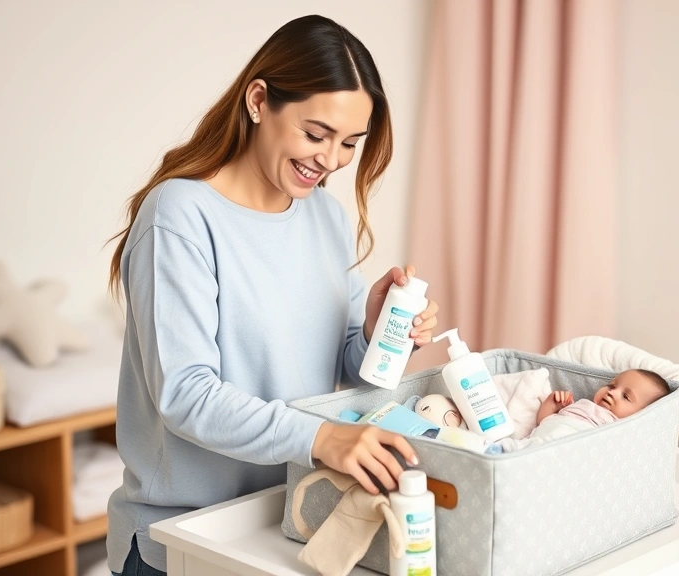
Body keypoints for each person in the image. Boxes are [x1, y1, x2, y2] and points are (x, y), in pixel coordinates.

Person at [103, 15, 440, 576]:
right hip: (183, 536)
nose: (331, 160)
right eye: (316, 134)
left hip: (280, 523)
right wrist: (324, 438)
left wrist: (384, 334)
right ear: (259, 100)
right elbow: (186, 394)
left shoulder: (324, 218)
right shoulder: (181, 216)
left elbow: (346, 372)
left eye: (349, 144)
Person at [492, 370, 670, 453]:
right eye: (612, 385)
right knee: (521, 447)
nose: (612, 392)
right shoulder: (581, 404)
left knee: (526, 452)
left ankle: (499, 451)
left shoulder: (617, 427)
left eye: (626, 396)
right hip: (539, 438)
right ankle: (495, 450)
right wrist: (552, 404)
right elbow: (543, 421)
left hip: (565, 447)